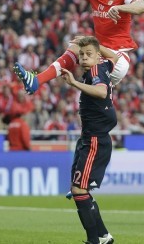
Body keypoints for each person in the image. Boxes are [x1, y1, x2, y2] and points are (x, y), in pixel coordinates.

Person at [13, 0, 144, 94]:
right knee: (92, 105)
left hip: (118, 58)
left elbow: (142, 6)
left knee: (80, 45)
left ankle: (37, 81)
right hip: (100, 57)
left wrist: (120, 8)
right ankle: (36, 82)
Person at [61, 36, 118, 244]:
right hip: (89, 138)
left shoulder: (95, 72)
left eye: (89, 54)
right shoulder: (102, 65)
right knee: (80, 190)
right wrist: (97, 46)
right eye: (81, 55)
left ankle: (94, 240)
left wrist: (74, 83)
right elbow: (116, 56)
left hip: (95, 139)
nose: (84, 58)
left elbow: (102, 92)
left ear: (97, 56)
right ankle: (103, 236)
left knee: (79, 190)